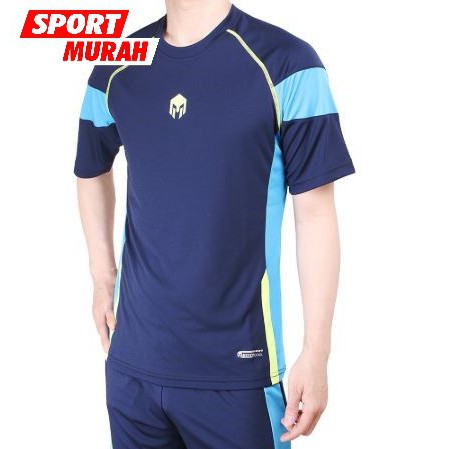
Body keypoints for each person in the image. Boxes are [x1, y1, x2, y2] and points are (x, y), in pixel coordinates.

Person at [75, 1, 355, 447]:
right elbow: (91, 167)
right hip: (132, 368)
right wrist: (101, 274)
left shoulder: (287, 63)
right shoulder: (117, 65)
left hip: (238, 371)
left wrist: (317, 351)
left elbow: (316, 213)